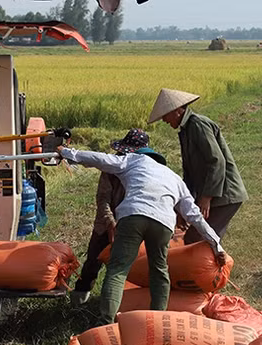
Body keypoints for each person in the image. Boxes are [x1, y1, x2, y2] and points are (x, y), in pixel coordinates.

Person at [57, 130, 226, 326]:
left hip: (133, 215)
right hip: (163, 224)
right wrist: (217, 245)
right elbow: (194, 216)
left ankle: (105, 323)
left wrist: (68, 153)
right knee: (159, 272)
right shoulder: (174, 178)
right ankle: (157, 323)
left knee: (118, 271)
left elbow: (99, 159)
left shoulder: (132, 160)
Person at [70, 129, 167, 306]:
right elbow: (103, 198)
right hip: (108, 221)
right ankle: (81, 296)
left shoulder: (150, 168)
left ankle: (123, 301)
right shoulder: (111, 168)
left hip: (135, 220)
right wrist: (110, 223)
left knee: (126, 265)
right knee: (94, 259)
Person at [148, 89, 248, 245]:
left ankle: (210, 268)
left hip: (224, 194)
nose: (164, 121)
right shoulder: (186, 130)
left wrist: (206, 198)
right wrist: (184, 206)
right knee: (204, 239)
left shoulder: (197, 124)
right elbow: (190, 174)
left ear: (177, 111)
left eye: (165, 115)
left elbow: (216, 161)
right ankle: (212, 267)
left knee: (199, 238)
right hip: (214, 193)